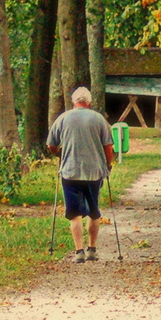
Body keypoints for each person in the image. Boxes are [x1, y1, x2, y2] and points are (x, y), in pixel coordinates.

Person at [46, 86, 115, 264]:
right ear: (89, 102)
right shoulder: (99, 119)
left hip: (70, 172)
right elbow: (108, 146)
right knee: (93, 211)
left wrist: (59, 153)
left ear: (73, 102)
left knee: (75, 213)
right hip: (94, 172)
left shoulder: (62, 118)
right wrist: (108, 165)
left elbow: (51, 145)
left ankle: (79, 251)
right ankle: (92, 249)